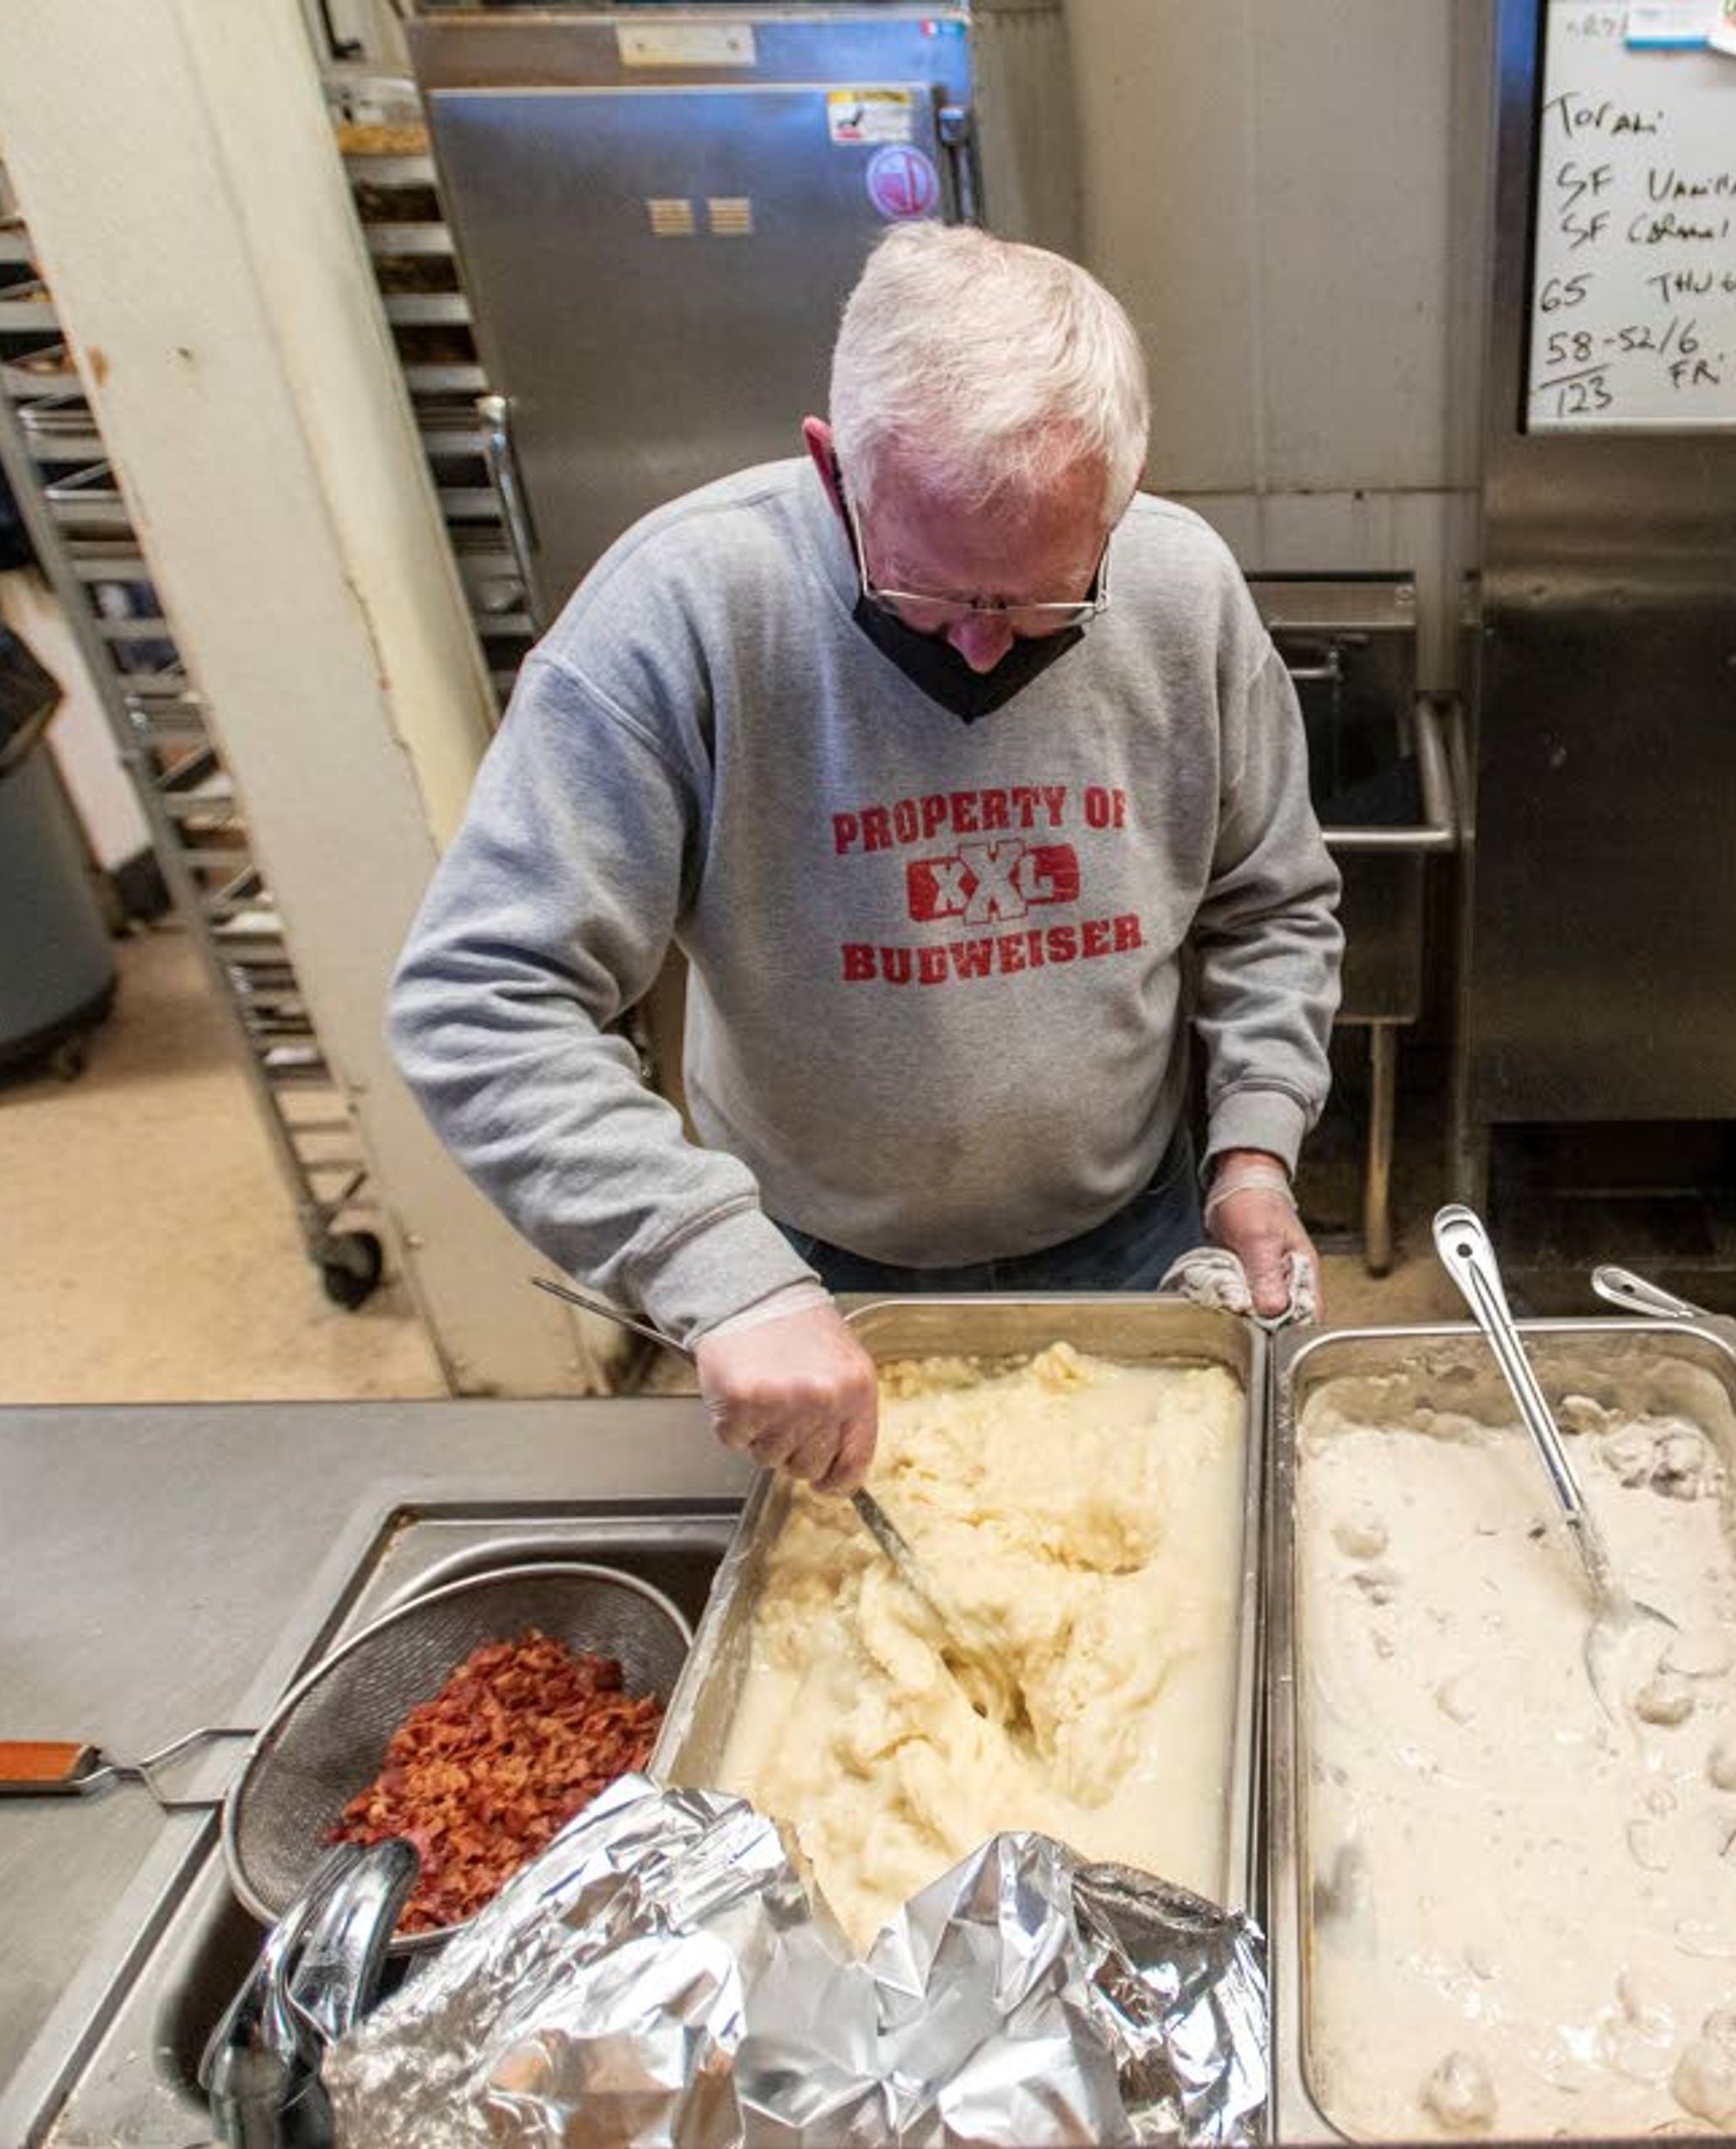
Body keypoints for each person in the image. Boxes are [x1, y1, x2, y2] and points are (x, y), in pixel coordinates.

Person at [391, 226, 1340, 1486]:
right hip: (815, 1270)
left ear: (1122, 490)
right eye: (934, 594)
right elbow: (479, 999)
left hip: (1132, 1227)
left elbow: (1268, 903)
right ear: (833, 469)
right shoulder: (684, 610)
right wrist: (711, 1265)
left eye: (1047, 598)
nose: (988, 649)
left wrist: (1256, 1143)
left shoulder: (1181, 587)